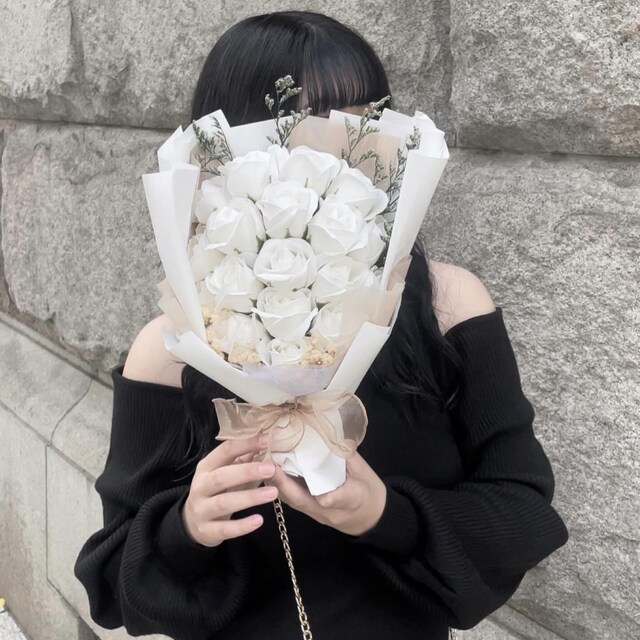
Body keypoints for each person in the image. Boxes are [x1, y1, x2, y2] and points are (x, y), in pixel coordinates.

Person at [74, 10, 569, 640]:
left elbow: (524, 512)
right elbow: (112, 585)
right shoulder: (174, 348)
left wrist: (386, 514)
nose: (332, 154)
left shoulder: (447, 306)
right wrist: (188, 526)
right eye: (295, 127)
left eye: (361, 123)